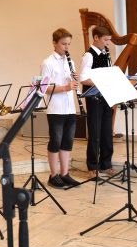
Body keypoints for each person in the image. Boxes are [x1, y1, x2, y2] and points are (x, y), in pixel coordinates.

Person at [40, 28, 81, 188]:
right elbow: (44, 88)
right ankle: (53, 175)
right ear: (54, 43)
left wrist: (75, 80)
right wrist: (65, 87)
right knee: (55, 141)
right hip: (55, 108)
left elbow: (72, 84)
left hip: (70, 107)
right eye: (64, 44)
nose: (67, 47)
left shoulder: (70, 62)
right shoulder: (47, 63)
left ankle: (65, 174)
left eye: (69, 44)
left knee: (67, 141)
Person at [79, 26, 115, 176]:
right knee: (95, 132)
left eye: (109, 40)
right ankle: (92, 166)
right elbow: (83, 79)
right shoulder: (89, 55)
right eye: (105, 40)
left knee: (107, 131)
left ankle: (106, 164)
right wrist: (101, 82)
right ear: (96, 38)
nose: (108, 43)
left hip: (106, 96)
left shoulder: (105, 53)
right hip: (94, 98)